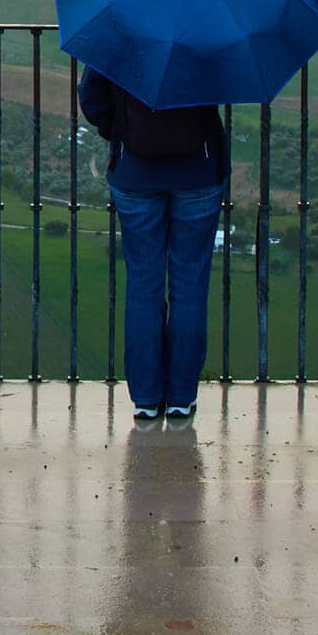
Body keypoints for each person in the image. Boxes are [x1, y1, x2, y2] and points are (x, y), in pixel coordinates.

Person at [80, 65, 227, 420]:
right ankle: (180, 396)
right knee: (190, 284)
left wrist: (118, 132)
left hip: (135, 169)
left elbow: (92, 96)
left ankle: (146, 398)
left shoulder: (122, 23)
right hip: (198, 169)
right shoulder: (206, 24)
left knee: (143, 283)